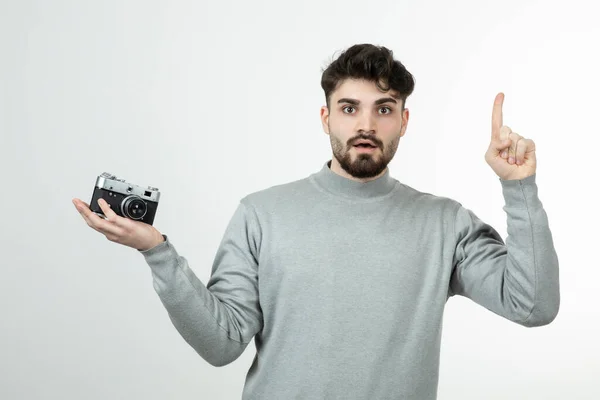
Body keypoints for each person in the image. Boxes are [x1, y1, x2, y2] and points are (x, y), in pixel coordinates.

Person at [72, 43, 560, 400]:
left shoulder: (444, 223)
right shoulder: (261, 214)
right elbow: (222, 344)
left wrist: (519, 188)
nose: (366, 125)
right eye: (350, 108)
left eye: (383, 109)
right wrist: (158, 252)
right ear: (326, 117)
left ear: (404, 122)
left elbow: (533, 305)